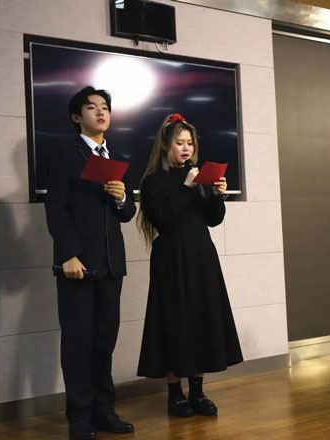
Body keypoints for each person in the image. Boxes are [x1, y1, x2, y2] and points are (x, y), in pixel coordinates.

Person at [137, 113, 243, 417]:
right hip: (171, 258)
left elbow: (213, 219)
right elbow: (164, 221)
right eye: (179, 143)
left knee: (201, 318)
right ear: (165, 146)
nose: (186, 148)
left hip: (201, 255)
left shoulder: (199, 177)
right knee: (174, 320)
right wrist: (187, 187)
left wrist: (217, 196)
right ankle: (175, 394)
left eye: (190, 143)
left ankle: (197, 391)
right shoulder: (153, 181)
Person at [45, 86, 136, 440]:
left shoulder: (115, 156)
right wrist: (67, 254)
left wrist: (123, 197)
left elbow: (126, 214)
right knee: (77, 344)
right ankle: (79, 417)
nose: (101, 113)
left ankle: (104, 411)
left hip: (111, 265)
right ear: (76, 116)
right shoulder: (66, 154)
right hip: (78, 265)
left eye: (105, 108)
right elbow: (56, 209)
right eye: (92, 107)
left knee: (103, 343)